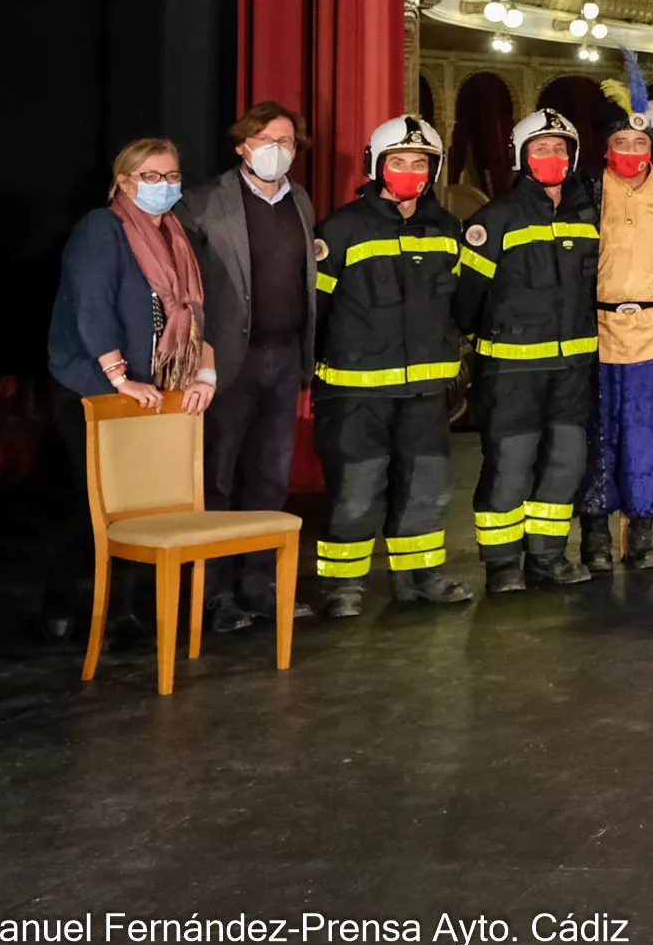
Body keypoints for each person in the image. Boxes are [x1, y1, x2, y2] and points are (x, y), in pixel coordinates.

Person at [41, 138, 217, 638]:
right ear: (123, 182)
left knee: (147, 504)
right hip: (96, 386)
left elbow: (197, 312)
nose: (165, 187)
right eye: (151, 177)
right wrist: (121, 379)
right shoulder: (103, 228)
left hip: (156, 390)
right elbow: (90, 307)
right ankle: (63, 600)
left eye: (172, 176)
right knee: (101, 502)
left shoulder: (178, 235)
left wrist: (202, 372)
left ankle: (126, 607)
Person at [311, 116, 473, 616]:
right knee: (356, 491)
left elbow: (461, 304)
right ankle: (342, 587)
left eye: (419, 163)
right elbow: (314, 311)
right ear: (376, 166)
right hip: (355, 392)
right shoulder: (339, 229)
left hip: (425, 392)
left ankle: (420, 576)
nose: (409, 171)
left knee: (428, 488)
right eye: (398, 162)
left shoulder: (447, 228)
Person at [183, 102, 317, 633]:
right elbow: (188, 294)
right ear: (241, 145)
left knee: (269, 478)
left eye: (286, 142)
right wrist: (200, 362)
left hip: (284, 359)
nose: (277, 151)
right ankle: (214, 594)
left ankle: (260, 585)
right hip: (225, 362)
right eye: (265, 140)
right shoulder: (203, 203)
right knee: (215, 478)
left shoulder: (300, 201)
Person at [455, 108, 597, 593]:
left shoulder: (589, 217)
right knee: (510, 466)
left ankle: (547, 557)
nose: (552, 157)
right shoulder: (494, 218)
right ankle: (500, 564)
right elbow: (464, 298)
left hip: (574, 370)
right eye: (541, 149)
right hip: (511, 371)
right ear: (521, 156)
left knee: (566, 463)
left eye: (561, 149)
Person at [589, 59, 653, 571]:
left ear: (651, 147)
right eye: (621, 144)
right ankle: (596, 536)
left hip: (652, 333)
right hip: (596, 331)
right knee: (597, 433)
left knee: (646, 435)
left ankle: (641, 534)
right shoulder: (586, 192)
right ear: (607, 148)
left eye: (639, 144)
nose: (630, 152)